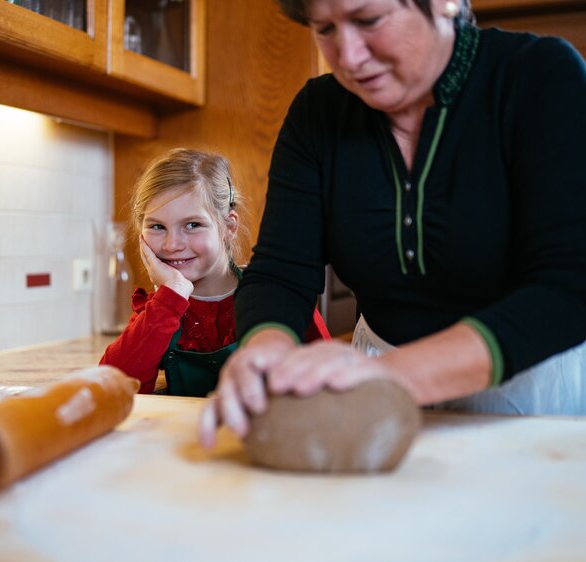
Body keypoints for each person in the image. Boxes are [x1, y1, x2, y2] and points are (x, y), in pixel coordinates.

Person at [199, 0, 586, 446]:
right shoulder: (317, 113)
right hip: (370, 378)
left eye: (368, 20)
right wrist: (265, 354)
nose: (348, 56)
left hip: (525, 390)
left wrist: (391, 375)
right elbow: (280, 273)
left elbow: (568, 286)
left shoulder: (539, 77)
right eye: (323, 29)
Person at [100, 148, 330, 397]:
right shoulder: (161, 307)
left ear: (229, 227)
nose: (171, 244)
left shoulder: (275, 296)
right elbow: (113, 388)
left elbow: (330, 385)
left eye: (192, 225)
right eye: (157, 226)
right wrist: (172, 295)